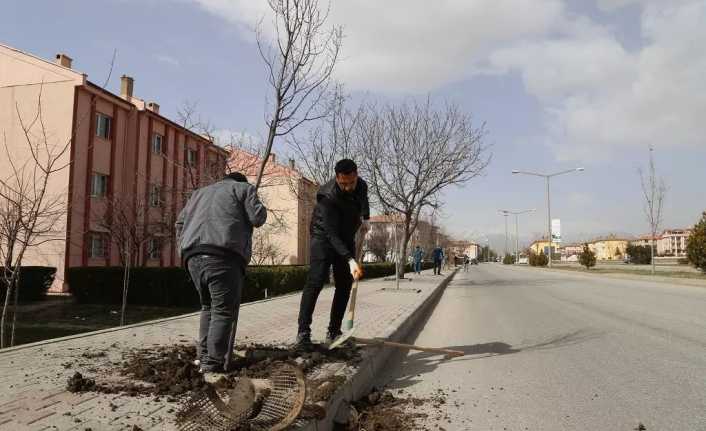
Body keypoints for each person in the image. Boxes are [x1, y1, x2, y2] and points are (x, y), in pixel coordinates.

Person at [175, 172, 267, 380]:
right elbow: (258, 218)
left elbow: (179, 224)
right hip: (222, 256)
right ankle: (213, 363)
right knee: (223, 311)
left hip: (193, 256)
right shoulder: (244, 189)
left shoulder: (199, 193)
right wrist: (255, 201)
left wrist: (183, 248)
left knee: (208, 307)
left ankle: (203, 356)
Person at [296, 159, 370, 347]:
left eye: (351, 183)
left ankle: (334, 331)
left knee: (344, 284)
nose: (347, 188)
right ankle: (303, 333)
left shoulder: (361, 186)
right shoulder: (326, 196)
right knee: (316, 281)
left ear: (356, 175)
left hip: (346, 236)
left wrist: (366, 218)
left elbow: (364, 201)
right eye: (343, 183)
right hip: (323, 238)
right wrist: (349, 259)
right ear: (337, 178)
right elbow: (331, 234)